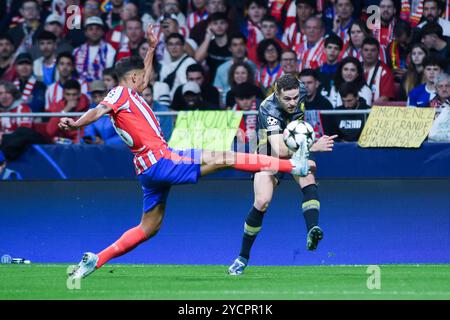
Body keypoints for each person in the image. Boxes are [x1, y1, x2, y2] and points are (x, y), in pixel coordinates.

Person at [62, 27, 312, 280]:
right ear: (133, 78)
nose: (146, 82)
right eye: (142, 77)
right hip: (161, 160)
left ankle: (96, 259)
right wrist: (76, 123)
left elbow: (144, 77)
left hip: (148, 170)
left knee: (149, 227)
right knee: (227, 157)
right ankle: (294, 167)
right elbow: (97, 110)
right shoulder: (119, 93)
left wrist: (151, 48)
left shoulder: (131, 94)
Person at [227, 74, 337, 276]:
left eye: (296, 98)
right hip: (268, 151)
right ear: (277, 94)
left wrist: (305, 144)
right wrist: (314, 145)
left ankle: (312, 229)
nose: (293, 102)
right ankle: (242, 257)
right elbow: (278, 148)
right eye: (287, 99)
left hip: (296, 143)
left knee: (308, 173)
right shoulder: (267, 109)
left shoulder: (300, 90)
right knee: (262, 201)